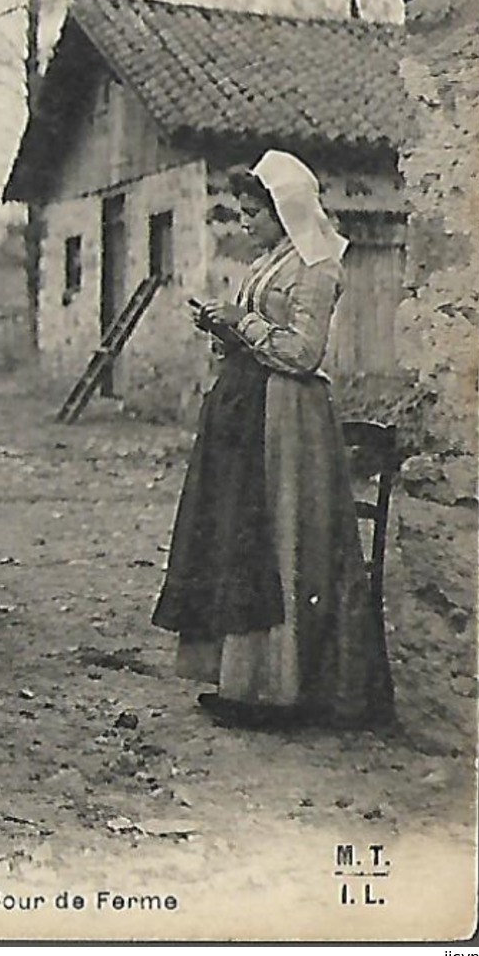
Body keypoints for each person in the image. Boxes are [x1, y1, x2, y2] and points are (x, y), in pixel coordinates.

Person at [152, 149, 394, 731]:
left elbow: (303, 353)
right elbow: (257, 336)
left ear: (285, 211)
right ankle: (241, 682)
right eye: (242, 214)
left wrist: (242, 322)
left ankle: (281, 689)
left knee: (276, 538)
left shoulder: (316, 267)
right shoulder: (267, 262)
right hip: (244, 410)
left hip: (286, 417)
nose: (245, 224)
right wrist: (222, 328)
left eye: (253, 212)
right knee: (236, 534)